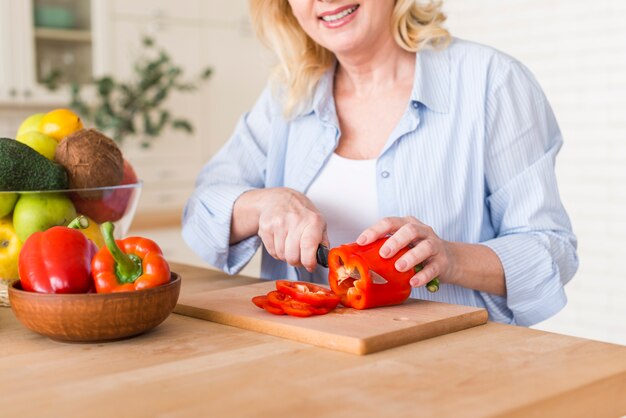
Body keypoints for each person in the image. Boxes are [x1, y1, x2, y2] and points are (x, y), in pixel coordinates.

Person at [182, 0, 578, 326]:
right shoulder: (288, 95)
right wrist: (266, 203)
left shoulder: (492, 81)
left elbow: (552, 250)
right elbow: (203, 210)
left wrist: (451, 259)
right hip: (306, 360)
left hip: (454, 368)